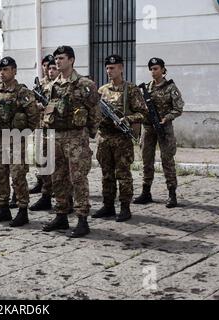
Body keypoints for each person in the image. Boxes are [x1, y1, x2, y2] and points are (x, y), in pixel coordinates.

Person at [41, 46, 101, 238]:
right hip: (56, 137)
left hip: (76, 137)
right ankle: (61, 215)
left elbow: (95, 111)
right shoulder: (52, 86)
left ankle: (82, 219)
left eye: (61, 58)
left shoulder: (85, 84)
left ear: (72, 60)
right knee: (57, 177)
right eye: (56, 58)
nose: (57, 61)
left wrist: (90, 133)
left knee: (77, 179)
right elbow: (49, 110)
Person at [0, 56, 40, 227]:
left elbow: (34, 116)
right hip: (0, 139)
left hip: (16, 140)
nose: (2, 73)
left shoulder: (22, 92)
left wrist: (24, 133)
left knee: (18, 176)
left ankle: (22, 210)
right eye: (0, 70)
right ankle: (3, 208)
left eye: (6, 69)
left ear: (14, 71)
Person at [93, 54, 147, 222]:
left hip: (121, 139)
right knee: (106, 174)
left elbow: (143, 113)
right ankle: (108, 205)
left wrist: (127, 119)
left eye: (113, 68)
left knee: (123, 174)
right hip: (104, 139)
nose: (109, 71)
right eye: (107, 68)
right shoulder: (102, 91)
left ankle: (125, 207)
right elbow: (94, 113)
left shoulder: (131, 90)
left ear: (121, 68)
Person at [133, 58, 184, 208]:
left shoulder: (170, 87)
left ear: (163, 69)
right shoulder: (146, 88)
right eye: (151, 69)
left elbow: (178, 108)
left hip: (164, 129)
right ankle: (146, 192)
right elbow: (140, 107)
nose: (153, 72)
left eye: (156, 68)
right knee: (146, 160)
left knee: (167, 160)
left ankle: (172, 194)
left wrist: (166, 118)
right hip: (148, 128)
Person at [29, 57, 60, 212]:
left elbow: (60, 105)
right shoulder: (40, 84)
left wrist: (47, 107)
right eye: (47, 67)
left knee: (58, 165)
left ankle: (63, 196)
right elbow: (31, 104)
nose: (50, 70)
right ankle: (45, 192)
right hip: (41, 128)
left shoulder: (61, 84)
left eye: (52, 67)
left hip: (57, 129)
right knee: (42, 161)